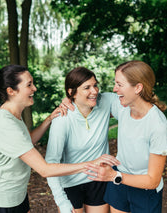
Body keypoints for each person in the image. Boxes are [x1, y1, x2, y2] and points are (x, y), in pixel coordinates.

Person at [0, 65, 119, 213]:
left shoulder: (12, 113)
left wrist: (49, 119)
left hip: (16, 194)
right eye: (29, 85)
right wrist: (91, 164)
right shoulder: (5, 123)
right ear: (11, 91)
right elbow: (45, 169)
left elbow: (27, 140)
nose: (34, 88)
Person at [83, 60, 167, 213]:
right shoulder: (122, 105)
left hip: (144, 190)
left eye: (119, 84)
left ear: (138, 88)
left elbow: (152, 180)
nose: (115, 89)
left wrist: (114, 175)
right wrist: (67, 99)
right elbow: (86, 96)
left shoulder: (158, 125)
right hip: (119, 182)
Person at [45, 67, 120, 213]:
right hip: (70, 183)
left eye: (95, 85)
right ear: (71, 92)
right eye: (87, 87)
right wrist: (61, 200)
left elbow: (131, 99)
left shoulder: (106, 101)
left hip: (98, 178)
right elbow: (51, 162)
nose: (95, 91)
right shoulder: (62, 119)